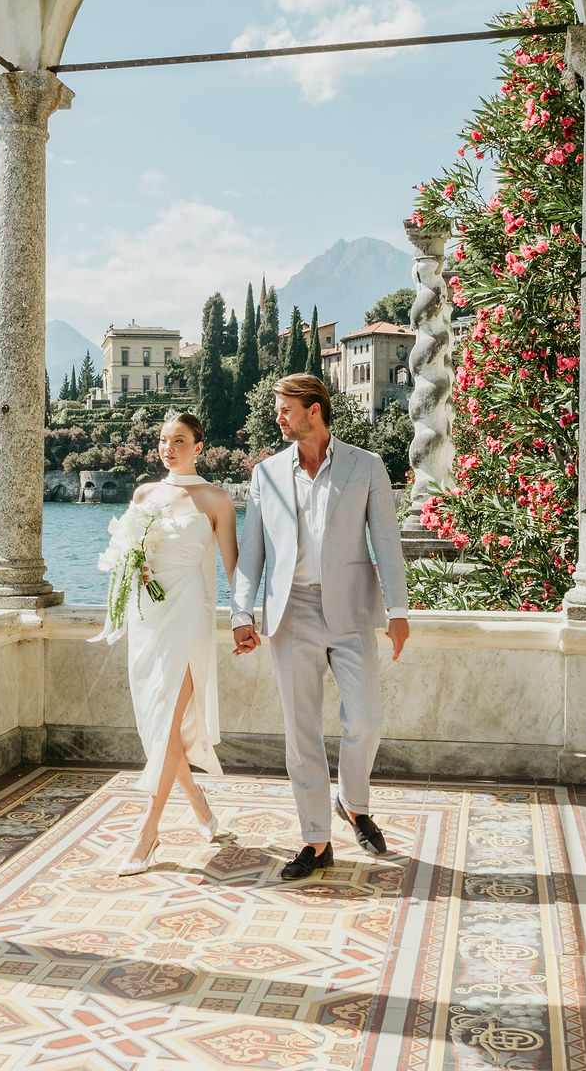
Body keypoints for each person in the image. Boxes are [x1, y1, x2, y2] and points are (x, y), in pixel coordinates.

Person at [231, 373, 409, 880]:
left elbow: (387, 545)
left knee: (367, 720)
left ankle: (353, 803)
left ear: (315, 410)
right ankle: (315, 841)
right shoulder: (265, 474)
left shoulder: (366, 466)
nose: (278, 417)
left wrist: (398, 611)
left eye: (286, 409)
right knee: (301, 731)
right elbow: (253, 555)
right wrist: (242, 614)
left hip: (351, 611)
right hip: (292, 614)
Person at [103, 412, 238, 875]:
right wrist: (131, 567)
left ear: (199, 446)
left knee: (169, 717)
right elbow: (130, 554)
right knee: (157, 719)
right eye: (163, 440)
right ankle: (199, 802)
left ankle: (148, 833)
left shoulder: (217, 500)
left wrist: (244, 619)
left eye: (178, 440)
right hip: (149, 615)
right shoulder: (144, 494)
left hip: (189, 615)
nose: (168, 448)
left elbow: (232, 567)